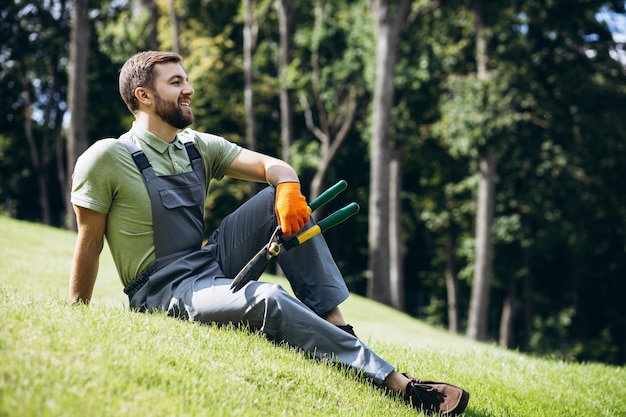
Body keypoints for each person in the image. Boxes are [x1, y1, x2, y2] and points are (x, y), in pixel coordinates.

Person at [69, 50, 470, 416]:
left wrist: (288, 189)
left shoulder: (194, 147)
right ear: (144, 95)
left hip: (209, 262)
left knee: (280, 202)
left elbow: (273, 167)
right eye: (175, 82)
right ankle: (398, 384)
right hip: (163, 291)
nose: (189, 88)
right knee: (268, 297)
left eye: (185, 79)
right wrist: (77, 318)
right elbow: (88, 242)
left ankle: (337, 329)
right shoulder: (108, 157)